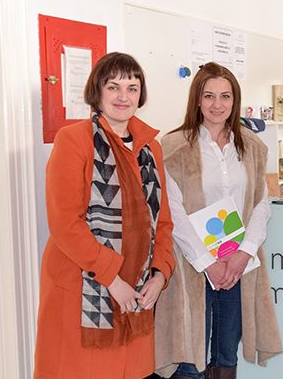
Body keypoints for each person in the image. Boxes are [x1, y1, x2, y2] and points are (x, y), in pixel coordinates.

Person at [34, 52, 176, 378]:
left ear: (141, 95)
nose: (123, 96)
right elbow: (65, 223)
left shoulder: (151, 148)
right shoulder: (73, 140)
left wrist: (159, 276)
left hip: (136, 292)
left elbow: (163, 222)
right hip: (84, 291)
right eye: (113, 87)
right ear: (97, 91)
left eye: (132, 88)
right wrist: (112, 279)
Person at [154, 62, 282, 379]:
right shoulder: (173, 147)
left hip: (236, 264)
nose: (217, 104)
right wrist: (206, 262)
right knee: (189, 355)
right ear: (196, 99)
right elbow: (172, 210)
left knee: (225, 353)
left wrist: (244, 253)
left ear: (234, 100)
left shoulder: (252, 145)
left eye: (225, 96)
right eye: (209, 95)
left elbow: (261, 202)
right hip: (191, 265)